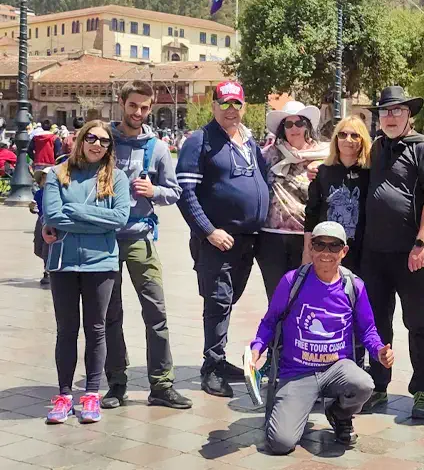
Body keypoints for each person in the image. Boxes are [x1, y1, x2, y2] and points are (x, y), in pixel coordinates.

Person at [250, 222, 393, 453]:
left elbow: (367, 330)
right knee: (281, 443)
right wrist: (257, 348)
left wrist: (379, 351)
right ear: (311, 247)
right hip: (297, 372)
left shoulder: (353, 286)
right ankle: (295, 408)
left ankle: (339, 414)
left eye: (334, 246)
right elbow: (270, 321)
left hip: (337, 368)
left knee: (364, 383)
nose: (326, 253)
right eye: (319, 245)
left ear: (344, 252)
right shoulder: (292, 281)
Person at [100, 81, 192, 411]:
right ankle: (116, 384)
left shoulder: (157, 148)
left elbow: (174, 191)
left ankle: (161, 385)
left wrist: (154, 192)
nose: (138, 112)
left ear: (150, 108)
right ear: (121, 103)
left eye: (144, 107)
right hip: (104, 241)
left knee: (156, 312)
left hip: (140, 237)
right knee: (110, 315)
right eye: (132, 105)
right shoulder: (102, 140)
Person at [176, 80, 269, 398]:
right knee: (217, 301)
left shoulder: (248, 139)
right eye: (225, 104)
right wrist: (208, 231)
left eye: (237, 104)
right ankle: (212, 368)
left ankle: (218, 358)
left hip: (248, 238)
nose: (231, 110)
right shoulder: (199, 141)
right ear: (213, 106)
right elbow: (185, 194)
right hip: (218, 239)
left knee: (229, 299)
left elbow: (265, 176)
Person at [359, 86, 424, 419]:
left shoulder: (423, 148)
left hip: (411, 253)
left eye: (397, 111)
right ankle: (378, 385)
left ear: (409, 114)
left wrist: (422, 242)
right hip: (374, 253)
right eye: (385, 112)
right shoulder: (375, 148)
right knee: (377, 324)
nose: (391, 117)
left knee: (418, 321)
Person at [40, 120, 130, 424]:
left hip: (101, 264)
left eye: (103, 141)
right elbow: (52, 214)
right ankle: (64, 395)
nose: (96, 144)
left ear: (109, 148)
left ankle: (91, 393)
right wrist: (96, 221)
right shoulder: (58, 173)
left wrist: (75, 212)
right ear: (80, 140)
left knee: (96, 329)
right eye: (91, 138)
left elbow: (119, 218)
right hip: (64, 263)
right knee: (66, 330)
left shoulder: (116, 178)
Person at [257, 101, 329, 300]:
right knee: (277, 298)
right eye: (288, 125)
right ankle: (279, 332)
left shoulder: (325, 156)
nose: (294, 128)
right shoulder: (269, 155)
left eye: (299, 123)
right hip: (272, 238)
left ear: (307, 126)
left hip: (307, 238)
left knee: (306, 297)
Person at [305, 116, 372, 272]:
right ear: (335, 139)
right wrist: (307, 251)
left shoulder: (371, 173)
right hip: (327, 251)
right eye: (342, 134)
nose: (348, 139)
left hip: (362, 253)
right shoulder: (321, 172)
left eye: (355, 135)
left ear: (363, 140)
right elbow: (311, 213)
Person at [31, 168, 50, 286]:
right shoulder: (39, 193)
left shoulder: (60, 192)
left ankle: (48, 271)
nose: (46, 180)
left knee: (47, 248)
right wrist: (32, 208)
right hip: (40, 221)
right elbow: (35, 208)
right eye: (44, 178)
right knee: (38, 247)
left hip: (51, 223)